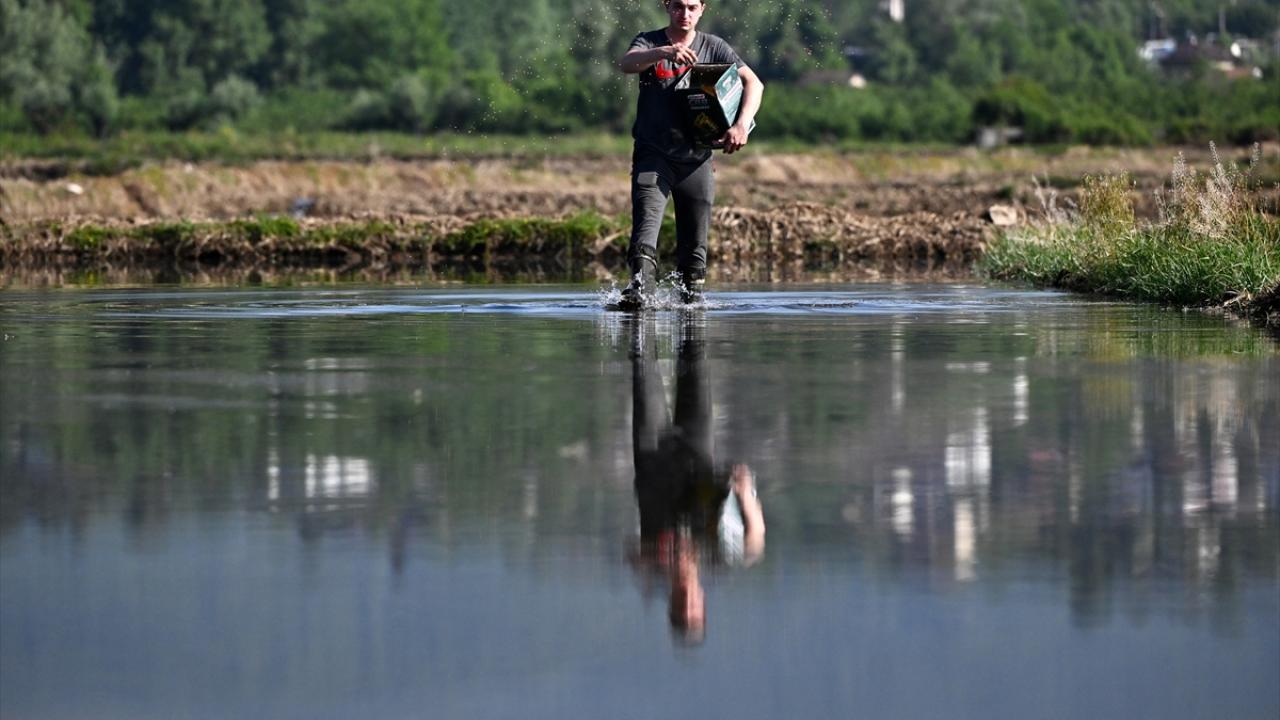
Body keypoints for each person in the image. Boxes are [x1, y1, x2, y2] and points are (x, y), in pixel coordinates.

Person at [617, 0, 764, 308]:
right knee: (645, 236)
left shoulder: (715, 46)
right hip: (653, 156)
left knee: (695, 253)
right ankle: (640, 301)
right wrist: (663, 53)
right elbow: (627, 63)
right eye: (677, 7)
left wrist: (740, 126)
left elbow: (754, 83)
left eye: (691, 7)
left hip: (697, 160)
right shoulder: (649, 41)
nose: (684, 14)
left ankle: (691, 310)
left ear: (702, 9)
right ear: (666, 7)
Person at [627, 316, 765, 642]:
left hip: (653, 456)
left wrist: (652, 553)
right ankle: (692, 281)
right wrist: (745, 495)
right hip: (697, 452)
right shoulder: (717, 562)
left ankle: (640, 278)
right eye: (693, 607)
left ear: (671, 606)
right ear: (702, 603)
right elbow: (755, 541)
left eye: (680, 606)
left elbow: (628, 554)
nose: (687, 600)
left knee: (642, 360)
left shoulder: (653, 573)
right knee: (694, 355)